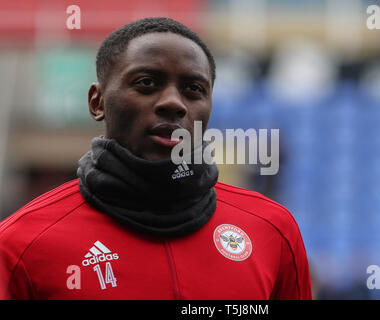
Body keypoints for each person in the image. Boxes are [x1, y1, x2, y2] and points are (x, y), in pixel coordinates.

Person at [0, 17, 312, 300]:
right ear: (97, 102)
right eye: (147, 83)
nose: (174, 103)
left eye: (193, 89)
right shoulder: (20, 244)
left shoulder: (272, 230)